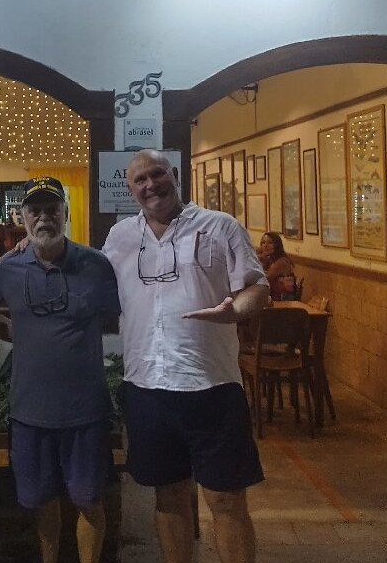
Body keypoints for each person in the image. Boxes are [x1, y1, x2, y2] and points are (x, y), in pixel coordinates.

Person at [102, 150, 269, 563]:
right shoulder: (120, 238)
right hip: (147, 388)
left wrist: (236, 310)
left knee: (226, 500)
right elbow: (88, 277)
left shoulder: (220, 226)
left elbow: (257, 287)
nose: (150, 185)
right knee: (169, 496)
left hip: (212, 387)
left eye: (157, 174)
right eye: (140, 180)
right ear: (130, 189)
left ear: (174, 175)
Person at [0, 177, 120, 563]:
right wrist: (10, 328)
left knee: (89, 499)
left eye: (52, 209)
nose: (44, 217)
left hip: (86, 412)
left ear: (66, 212)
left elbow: (116, 316)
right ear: (23, 216)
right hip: (29, 412)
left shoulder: (96, 264)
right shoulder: (7, 267)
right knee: (41, 501)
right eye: (35, 210)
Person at [257, 231, 297, 300]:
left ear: (277, 245)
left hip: (283, 299)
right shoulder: (269, 259)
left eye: (270, 243)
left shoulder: (281, 262)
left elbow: (264, 280)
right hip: (273, 296)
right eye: (263, 243)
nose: (265, 245)